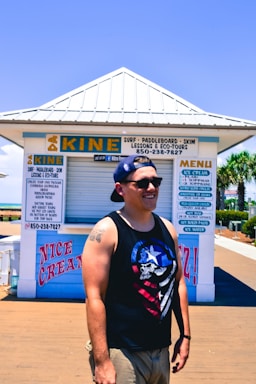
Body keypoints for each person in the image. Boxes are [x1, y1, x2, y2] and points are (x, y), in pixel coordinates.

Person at [82, 154, 191, 384]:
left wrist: (185, 335)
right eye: (142, 183)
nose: (151, 187)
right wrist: (102, 361)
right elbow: (94, 298)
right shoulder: (107, 231)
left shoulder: (168, 229)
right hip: (122, 352)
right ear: (121, 189)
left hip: (160, 350)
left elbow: (178, 284)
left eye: (156, 181)